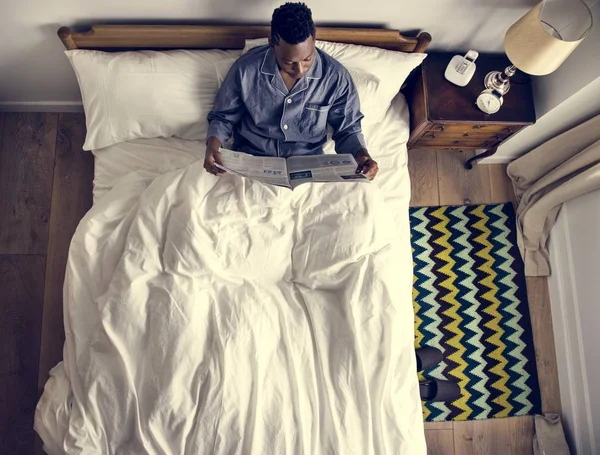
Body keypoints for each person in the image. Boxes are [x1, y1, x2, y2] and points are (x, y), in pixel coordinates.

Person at [204, 2, 379, 180]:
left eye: (307, 59)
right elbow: (223, 117)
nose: (300, 70)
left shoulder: (336, 77)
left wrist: (362, 156)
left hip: (309, 166)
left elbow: (348, 128)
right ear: (272, 43)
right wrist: (212, 146)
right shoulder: (245, 70)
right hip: (251, 159)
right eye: (288, 62)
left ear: (314, 39)